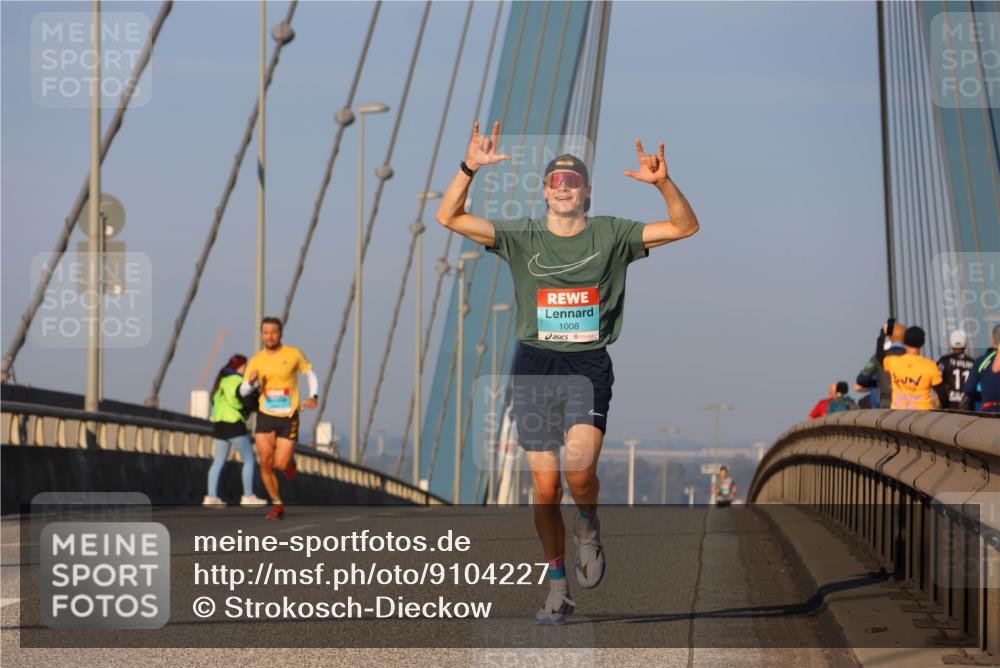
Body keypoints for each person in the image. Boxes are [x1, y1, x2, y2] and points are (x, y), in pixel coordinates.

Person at [436, 121, 699, 624]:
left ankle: (589, 524)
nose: (563, 186)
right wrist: (470, 166)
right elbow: (448, 215)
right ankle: (557, 584)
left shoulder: (613, 234)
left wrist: (664, 183)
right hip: (534, 365)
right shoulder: (521, 236)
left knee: (580, 474)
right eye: (555, 180)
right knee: (546, 488)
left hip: (587, 364)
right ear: (543, 192)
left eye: (572, 180)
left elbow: (684, 227)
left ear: (587, 192)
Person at [240, 317, 319, 520]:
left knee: (280, 465)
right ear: (261, 335)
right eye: (266, 332)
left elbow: (310, 374)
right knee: (265, 463)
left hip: (288, 416)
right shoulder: (256, 360)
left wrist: (313, 396)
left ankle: (290, 464)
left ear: (280, 334)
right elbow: (243, 390)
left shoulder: (293, 354)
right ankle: (277, 504)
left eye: (274, 332)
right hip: (265, 415)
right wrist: (250, 382)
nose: (270, 336)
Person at [203, 354, 266, 507]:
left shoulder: (221, 381)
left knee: (218, 460)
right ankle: (248, 496)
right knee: (249, 459)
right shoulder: (238, 381)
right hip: (234, 424)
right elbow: (246, 400)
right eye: (245, 366)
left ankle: (211, 497)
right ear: (240, 367)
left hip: (219, 425)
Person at [882, 326, 942, 410]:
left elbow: (879, 355)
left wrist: (883, 333)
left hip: (897, 415)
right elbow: (941, 392)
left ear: (904, 341)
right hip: (922, 415)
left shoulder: (892, 362)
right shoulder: (931, 366)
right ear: (922, 343)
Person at [856, 320, 906, 408]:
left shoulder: (879, 357)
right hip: (909, 408)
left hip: (886, 406)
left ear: (890, 338)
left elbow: (861, 380)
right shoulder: (913, 358)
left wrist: (878, 382)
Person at [961, 324, 1000, 414]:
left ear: (992, 340)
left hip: (988, 411)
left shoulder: (981, 361)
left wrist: (982, 397)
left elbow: (969, 389)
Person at [936, 329, 974, 409]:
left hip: (949, 406)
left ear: (950, 343)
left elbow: (937, 381)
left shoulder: (944, 360)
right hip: (968, 407)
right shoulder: (973, 362)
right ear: (966, 344)